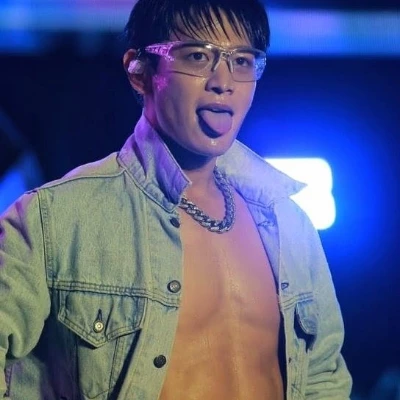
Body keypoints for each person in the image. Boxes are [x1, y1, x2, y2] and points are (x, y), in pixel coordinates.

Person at [0, 0, 352, 399]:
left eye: (241, 61)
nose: (223, 81)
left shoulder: (288, 223)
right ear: (140, 71)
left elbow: (323, 377)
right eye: (198, 56)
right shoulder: (56, 218)